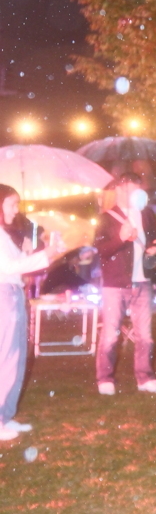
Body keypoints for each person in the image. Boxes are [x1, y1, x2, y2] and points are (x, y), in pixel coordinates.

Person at [94, 178, 156, 395]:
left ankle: (145, 378)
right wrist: (121, 238)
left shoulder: (147, 215)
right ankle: (104, 378)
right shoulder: (106, 218)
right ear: (118, 190)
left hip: (142, 281)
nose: (135, 194)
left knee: (145, 335)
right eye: (131, 189)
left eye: (138, 189)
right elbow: (101, 250)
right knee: (110, 334)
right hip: (115, 284)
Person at [0, 185, 60, 439]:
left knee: (16, 356)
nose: (16, 209)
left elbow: (15, 263)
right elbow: (7, 267)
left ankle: (5, 414)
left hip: (13, 293)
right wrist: (46, 254)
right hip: (5, 294)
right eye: (12, 204)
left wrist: (27, 251)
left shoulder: (4, 234)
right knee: (6, 355)